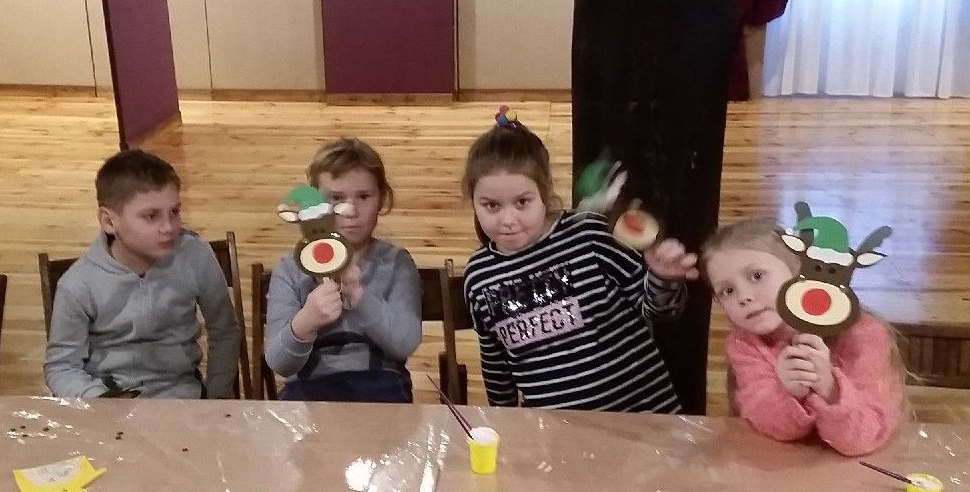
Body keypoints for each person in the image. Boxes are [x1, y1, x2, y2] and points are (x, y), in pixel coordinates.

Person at [461, 111, 697, 411]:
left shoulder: (591, 235)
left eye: (522, 202)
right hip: (557, 432)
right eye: (491, 206)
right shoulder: (479, 276)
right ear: (474, 201)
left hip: (644, 418)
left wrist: (663, 278)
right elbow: (495, 361)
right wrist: (505, 419)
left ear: (545, 192)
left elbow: (659, 310)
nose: (508, 220)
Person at [44, 150, 240, 399]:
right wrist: (101, 400)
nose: (169, 227)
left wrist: (214, 398)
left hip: (184, 398)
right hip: (110, 403)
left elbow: (225, 332)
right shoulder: (78, 284)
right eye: (151, 216)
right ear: (109, 222)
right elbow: (61, 367)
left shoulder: (195, 254)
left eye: (174, 212)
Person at [702, 218, 905, 456]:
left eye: (756, 276)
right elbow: (771, 427)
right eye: (727, 291)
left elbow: (864, 437)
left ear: (799, 269)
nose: (744, 297)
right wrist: (790, 393)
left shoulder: (864, 335)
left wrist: (830, 388)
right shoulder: (744, 345)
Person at [265, 138, 421, 402]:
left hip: (382, 391)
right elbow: (279, 363)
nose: (350, 211)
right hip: (309, 395)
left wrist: (360, 298)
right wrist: (306, 322)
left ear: (382, 198)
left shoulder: (396, 263)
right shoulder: (291, 270)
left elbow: (404, 344)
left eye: (364, 196)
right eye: (336, 198)